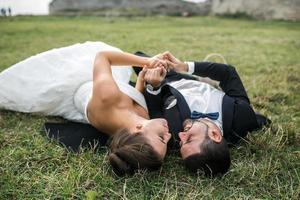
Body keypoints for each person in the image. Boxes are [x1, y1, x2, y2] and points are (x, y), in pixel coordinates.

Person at [0, 41, 171, 176]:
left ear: (138, 130)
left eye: (161, 137)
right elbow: (136, 97)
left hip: (79, 85)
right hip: (110, 89)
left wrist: (147, 61)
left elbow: (103, 57)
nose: (169, 134)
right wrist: (142, 78)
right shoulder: (141, 118)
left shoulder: (107, 98)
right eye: (166, 139)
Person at [139, 51, 270, 177]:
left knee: (136, 58)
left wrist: (153, 87)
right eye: (189, 139)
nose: (180, 135)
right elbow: (228, 73)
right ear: (215, 135)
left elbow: (154, 109)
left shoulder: (171, 133)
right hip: (185, 76)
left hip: (165, 81)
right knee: (139, 56)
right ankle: (204, 80)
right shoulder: (242, 115)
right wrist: (184, 66)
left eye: (181, 144)